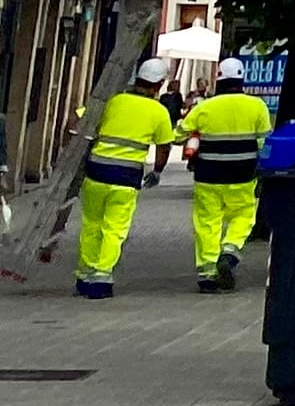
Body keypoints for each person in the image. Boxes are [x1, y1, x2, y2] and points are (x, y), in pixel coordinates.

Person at [74, 58, 180, 299]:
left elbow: (77, 120)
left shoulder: (113, 101)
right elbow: (164, 146)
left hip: (96, 170)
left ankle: (84, 274)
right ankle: (101, 276)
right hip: (126, 177)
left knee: (91, 224)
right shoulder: (158, 111)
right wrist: (157, 171)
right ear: (159, 84)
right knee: (115, 229)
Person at [179, 59, 272, 292]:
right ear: (241, 79)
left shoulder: (204, 107)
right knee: (243, 216)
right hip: (243, 174)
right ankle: (229, 252)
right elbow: (264, 142)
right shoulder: (257, 106)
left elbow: (179, 134)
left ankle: (208, 274)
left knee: (207, 222)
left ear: (218, 79)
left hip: (208, 174)